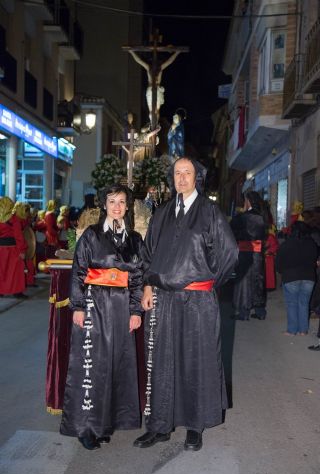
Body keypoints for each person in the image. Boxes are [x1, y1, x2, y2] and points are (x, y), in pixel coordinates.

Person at [133, 157, 238, 451]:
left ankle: (195, 425)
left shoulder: (210, 212)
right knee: (161, 362)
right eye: (177, 173)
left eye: (187, 173)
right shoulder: (163, 213)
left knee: (197, 360)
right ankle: (159, 425)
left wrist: (208, 283)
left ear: (197, 178)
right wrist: (147, 286)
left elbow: (229, 253)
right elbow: (148, 255)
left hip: (198, 301)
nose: (181, 178)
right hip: (163, 300)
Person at [60, 185, 144, 450]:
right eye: (112, 201)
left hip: (120, 309)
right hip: (94, 305)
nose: (116, 207)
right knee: (92, 367)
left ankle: (106, 422)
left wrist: (135, 310)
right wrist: (78, 306)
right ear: (104, 205)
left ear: (127, 206)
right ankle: (86, 426)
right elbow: (78, 271)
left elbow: (138, 277)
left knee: (116, 365)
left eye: (121, 202)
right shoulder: (91, 236)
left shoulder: (134, 240)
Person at [230, 191, 267, 321]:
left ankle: (244, 312)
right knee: (258, 280)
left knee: (244, 281)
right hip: (258, 253)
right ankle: (260, 311)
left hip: (246, 252)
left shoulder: (242, 217)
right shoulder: (263, 216)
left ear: (248, 201)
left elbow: (232, 233)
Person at [276, 221, 317, 336]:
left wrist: (281, 271)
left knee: (292, 304)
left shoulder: (287, 244)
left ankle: (292, 330)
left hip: (291, 277)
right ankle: (303, 330)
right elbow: (314, 259)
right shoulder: (312, 244)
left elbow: (279, 262)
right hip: (309, 277)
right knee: (304, 303)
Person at [0, 197, 27, 298]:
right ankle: (17, 292)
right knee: (15, 271)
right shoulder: (13, 218)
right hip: (12, 249)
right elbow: (18, 236)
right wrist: (22, 250)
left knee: (1, 271)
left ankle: (0, 291)